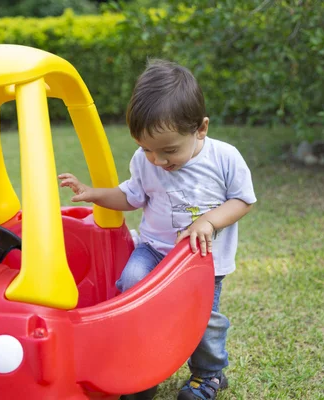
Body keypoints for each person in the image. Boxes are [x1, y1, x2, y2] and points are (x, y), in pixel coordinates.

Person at [59, 59, 256, 400]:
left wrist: (207, 221)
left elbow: (243, 200)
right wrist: (93, 194)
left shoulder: (224, 158)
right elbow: (130, 196)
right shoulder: (144, 161)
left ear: (201, 129)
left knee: (204, 320)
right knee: (133, 292)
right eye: (146, 149)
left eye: (168, 150)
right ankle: (141, 367)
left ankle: (208, 375)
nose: (158, 161)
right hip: (152, 250)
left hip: (201, 260)